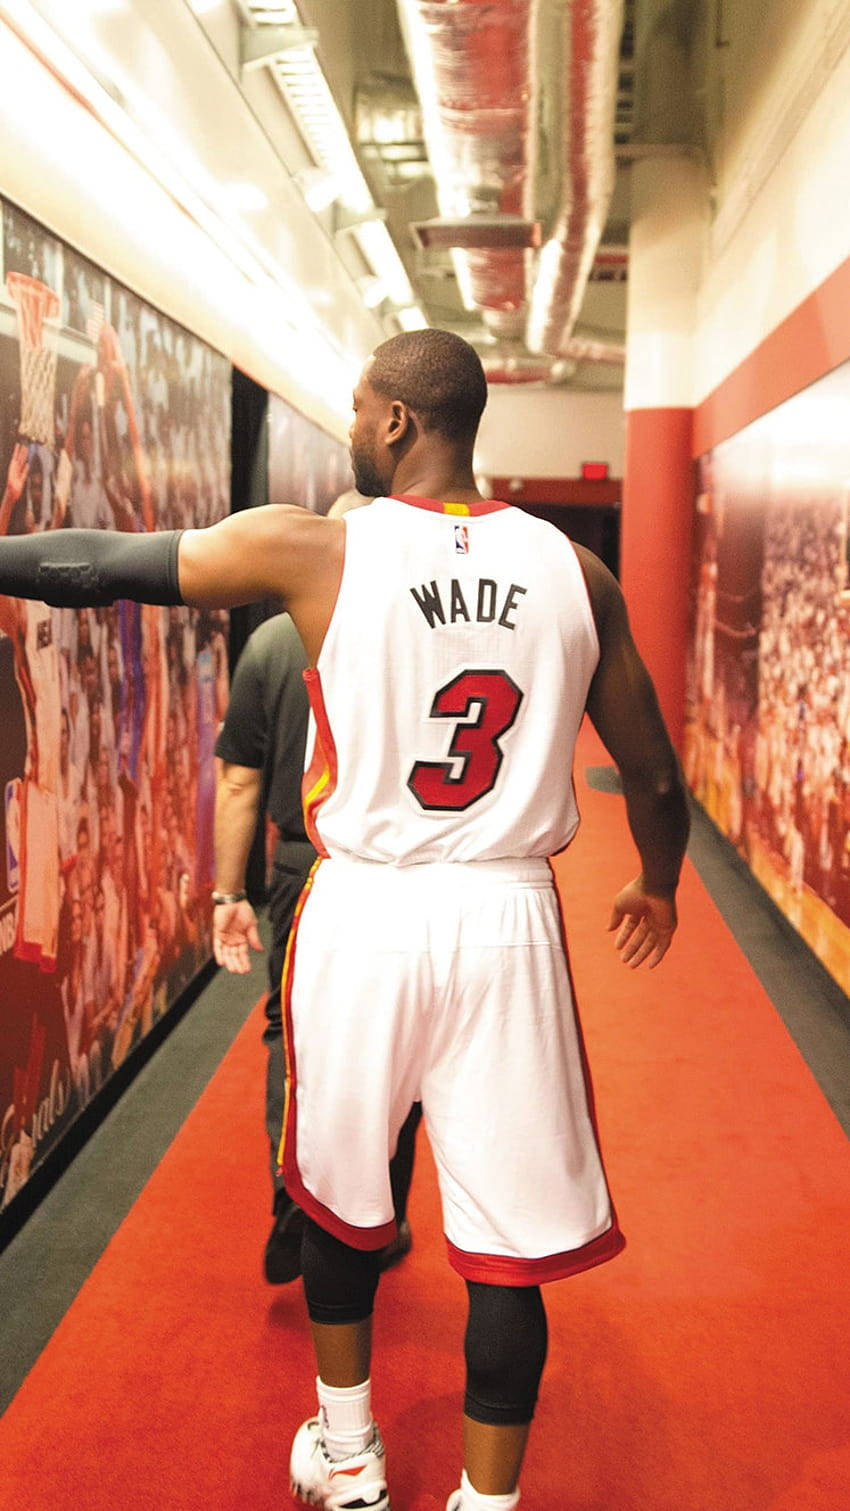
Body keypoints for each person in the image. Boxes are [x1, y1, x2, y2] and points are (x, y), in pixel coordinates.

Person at [0, 327, 690, 1511]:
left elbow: (106, 564)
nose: (350, 429)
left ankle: (352, 1455)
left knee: (338, 1188)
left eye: (357, 410)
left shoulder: (321, 548)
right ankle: (487, 1500)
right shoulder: (577, 572)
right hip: (505, 919)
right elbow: (659, 781)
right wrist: (658, 880)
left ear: (397, 425)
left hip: (365, 908)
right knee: (506, 1237)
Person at [213, 586, 421, 1283]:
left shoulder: (272, 640)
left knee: (294, 1031)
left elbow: (239, 783)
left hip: (305, 865)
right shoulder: (417, 630)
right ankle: (380, 1214)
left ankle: (293, 1191)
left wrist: (229, 891)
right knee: (399, 1039)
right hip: (404, 867)